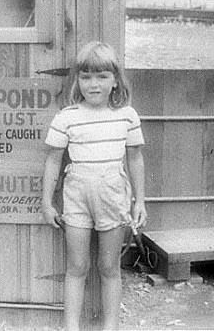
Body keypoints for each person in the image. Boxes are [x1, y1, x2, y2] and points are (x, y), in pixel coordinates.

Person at [41, 41, 147, 331]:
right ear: (77, 80)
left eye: (102, 77)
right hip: (77, 198)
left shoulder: (127, 116)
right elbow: (53, 160)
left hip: (113, 197)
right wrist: (47, 203)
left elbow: (135, 158)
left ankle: (110, 326)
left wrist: (140, 202)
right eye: (86, 77)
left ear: (115, 81)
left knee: (109, 267)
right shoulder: (67, 117)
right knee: (77, 267)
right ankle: (71, 327)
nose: (93, 84)